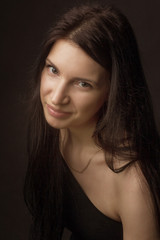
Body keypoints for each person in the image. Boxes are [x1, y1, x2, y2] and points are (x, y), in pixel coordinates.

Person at [24, 3, 160, 240]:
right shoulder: (59, 128)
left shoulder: (133, 182)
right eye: (53, 70)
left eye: (82, 84)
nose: (56, 97)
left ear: (112, 90)